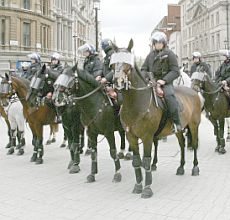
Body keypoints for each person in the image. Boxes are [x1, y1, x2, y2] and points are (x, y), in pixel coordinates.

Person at [141, 31, 182, 132]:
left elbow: (175, 71)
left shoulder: (170, 54)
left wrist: (164, 80)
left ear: (164, 43)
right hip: (151, 82)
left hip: (165, 83)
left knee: (169, 97)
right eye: (156, 43)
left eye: (160, 43)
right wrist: (145, 77)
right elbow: (143, 69)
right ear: (154, 44)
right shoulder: (150, 55)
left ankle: (177, 123)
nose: (158, 44)